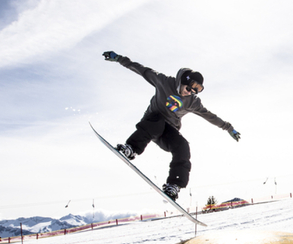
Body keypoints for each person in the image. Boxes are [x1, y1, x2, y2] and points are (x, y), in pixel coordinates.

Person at [102, 51, 240, 200]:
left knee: (183, 146)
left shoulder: (193, 102)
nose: (190, 93)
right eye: (189, 88)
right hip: (151, 123)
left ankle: (174, 185)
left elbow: (210, 116)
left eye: (196, 91)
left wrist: (228, 128)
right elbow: (141, 69)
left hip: (168, 132)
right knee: (157, 122)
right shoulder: (163, 82)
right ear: (182, 82)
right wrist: (118, 59)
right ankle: (131, 148)